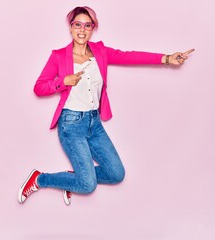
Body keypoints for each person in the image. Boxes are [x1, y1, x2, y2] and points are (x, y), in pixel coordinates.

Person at [18, 6, 194, 206]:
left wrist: (166, 59)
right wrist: (63, 82)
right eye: (77, 25)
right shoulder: (59, 56)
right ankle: (40, 178)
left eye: (87, 25)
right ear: (71, 27)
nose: (82, 30)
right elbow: (38, 88)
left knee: (116, 174)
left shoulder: (100, 52)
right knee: (87, 185)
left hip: (94, 123)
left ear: (92, 29)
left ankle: (73, 177)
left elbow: (129, 56)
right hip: (71, 124)